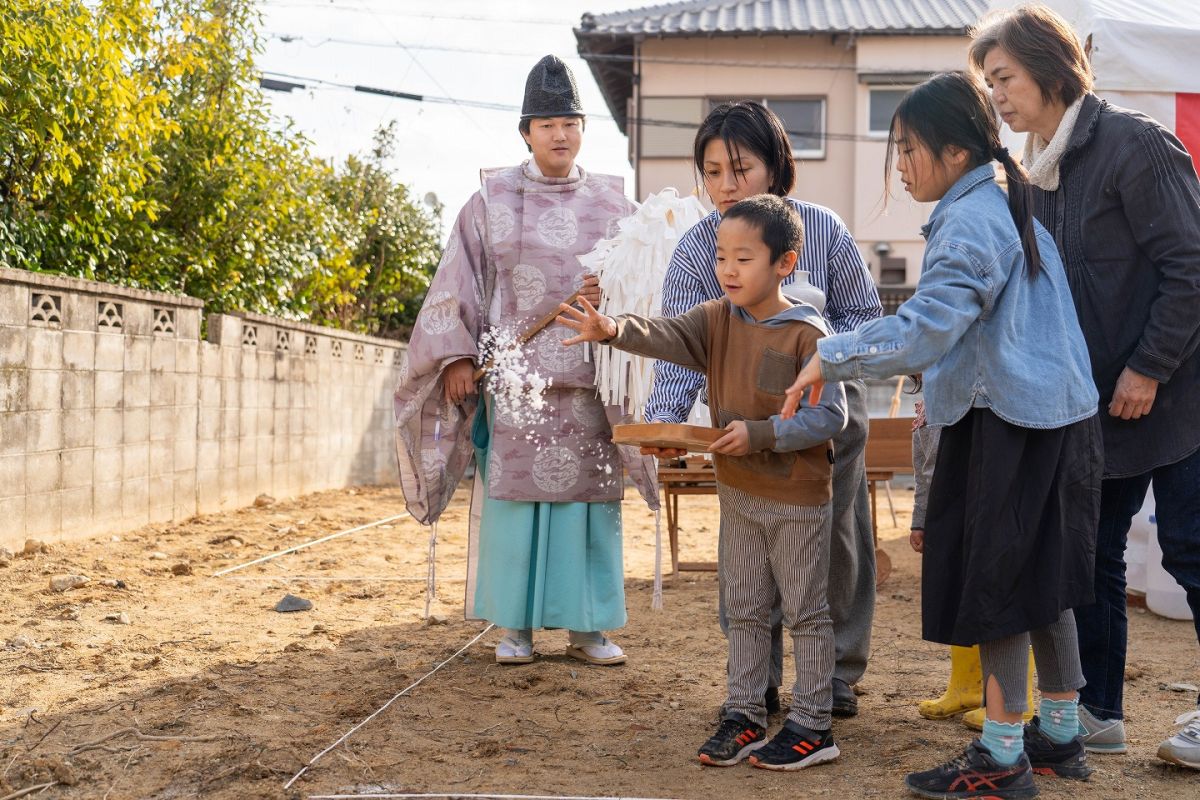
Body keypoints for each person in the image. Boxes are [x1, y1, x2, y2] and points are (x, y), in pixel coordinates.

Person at [782, 71, 1101, 798]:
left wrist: (829, 355)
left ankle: (1001, 755)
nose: (901, 165)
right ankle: (1058, 733)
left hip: (1007, 423)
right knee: (1043, 584)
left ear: (954, 153)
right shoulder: (1008, 205)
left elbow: (927, 329)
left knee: (1001, 588)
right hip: (1057, 418)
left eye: (909, 149)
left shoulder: (969, 220)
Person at [970, 4, 1200, 768]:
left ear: (1049, 68)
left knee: (1193, 549)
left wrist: (1150, 367)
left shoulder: (1137, 147)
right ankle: (1098, 712)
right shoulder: (1029, 170)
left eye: (1003, 77)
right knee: (1091, 556)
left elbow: (1191, 269)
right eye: (988, 82)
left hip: (1181, 393)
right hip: (1093, 404)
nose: (996, 95)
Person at [558, 194, 848, 770]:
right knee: (743, 605)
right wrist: (614, 328)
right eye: (721, 257)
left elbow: (828, 416)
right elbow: (665, 335)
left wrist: (761, 433)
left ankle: (814, 725)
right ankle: (743, 713)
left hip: (797, 499)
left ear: (785, 263)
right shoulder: (716, 318)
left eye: (744, 259)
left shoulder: (808, 334)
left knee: (805, 612)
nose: (728, 270)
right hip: (739, 495)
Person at [392, 55, 657, 667]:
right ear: (525, 132)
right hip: (517, 383)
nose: (559, 134)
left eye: (569, 122)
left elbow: (646, 284)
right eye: (546, 124)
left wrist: (613, 301)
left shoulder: (616, 205)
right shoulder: (490, 200)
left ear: (584, 128)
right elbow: (457, 280)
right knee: (517, 503)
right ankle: (515, 627)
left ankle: (589, 629)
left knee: (589, 503)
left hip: (592, 379)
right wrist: (457, 355)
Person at [642, 100, 882, 717]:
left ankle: (835, 676)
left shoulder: (822, 229)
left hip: (825, 410)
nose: (725, 185)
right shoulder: (698, 247)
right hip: (743, 418)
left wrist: (823, 354)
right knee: (747, 542)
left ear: (774, 165)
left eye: (740, 168)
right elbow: (680, 341)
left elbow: (866, 318)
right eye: (712, 171)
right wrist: (667, 422)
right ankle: (758, 675)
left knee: (834, 541)